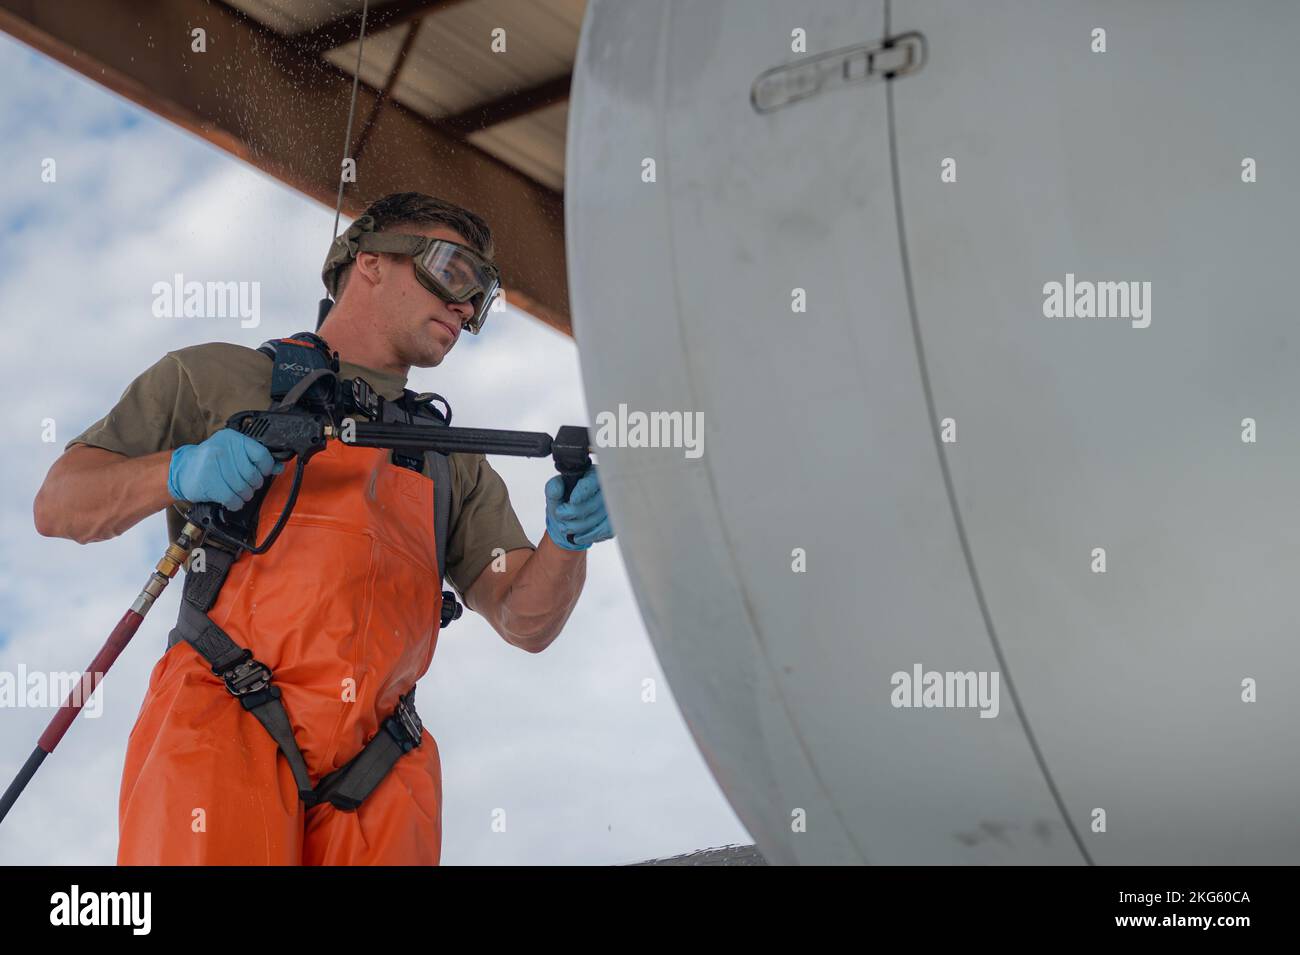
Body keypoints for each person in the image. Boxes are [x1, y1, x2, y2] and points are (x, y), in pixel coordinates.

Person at [32, 191, 614, 864]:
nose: (465, 306)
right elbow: (60, 504)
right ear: (369, 262)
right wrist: (181, 469)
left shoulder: (451, 456)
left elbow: (524, 618)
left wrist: (566, 543)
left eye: (481, 297)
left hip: (381, 764)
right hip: (223, 724)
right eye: (454, 272)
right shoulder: (218, 378)